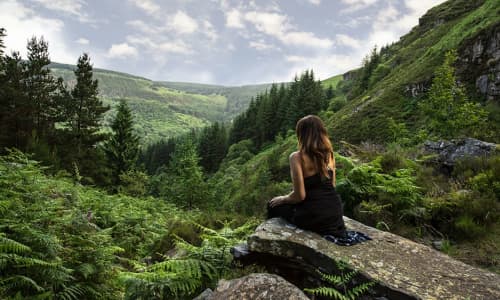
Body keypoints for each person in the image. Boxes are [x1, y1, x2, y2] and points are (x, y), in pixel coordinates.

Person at [267, 115, 347, 238]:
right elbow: (332, 185)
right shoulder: (329, 154)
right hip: (335, 214)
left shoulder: (297, 157)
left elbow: (300, 196)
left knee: (272, 205)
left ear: (301, 135)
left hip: (314, 216)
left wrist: (283, 198)